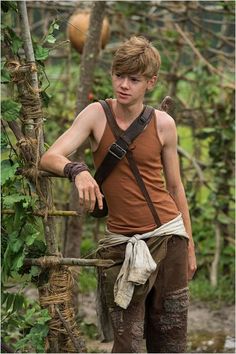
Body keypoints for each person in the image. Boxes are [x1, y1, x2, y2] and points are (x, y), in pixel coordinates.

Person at [40, 36, 197, 353]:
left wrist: (190, 246)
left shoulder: (164, 124)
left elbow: (176, 188)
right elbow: (50, 156)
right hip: (122, 247)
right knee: (127, 342)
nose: (124, 85)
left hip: (169, 239)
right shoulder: (96, 115)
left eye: (134, 79)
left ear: (150, 82)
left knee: (170, 340)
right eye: (118, 75)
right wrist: (78, 170)